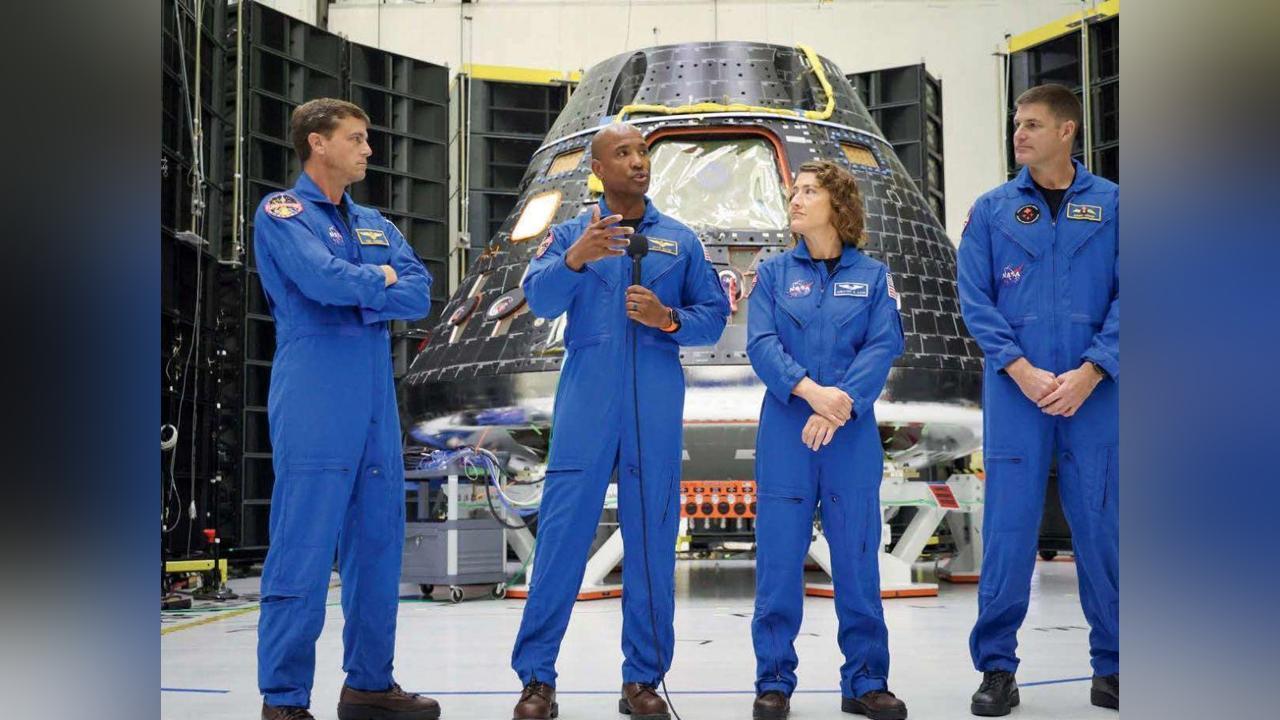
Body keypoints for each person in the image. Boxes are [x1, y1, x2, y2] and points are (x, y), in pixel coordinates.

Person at [509, 122, 729, 720]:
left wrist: (667, 319)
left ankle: (643, 679)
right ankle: (536, 680)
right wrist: (575, 260)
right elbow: (540, 300)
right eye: (623, 153)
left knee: (654, 539)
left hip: (655, 400)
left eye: (643, 152)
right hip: (587, 399)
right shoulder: (569, 235)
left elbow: (713, 316)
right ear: (598, 169)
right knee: (560, 539)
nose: (638, 161)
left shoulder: (679, 241)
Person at [253, 98, 438, 720]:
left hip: (375, 399)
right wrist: (377, 281)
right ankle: (284, 700)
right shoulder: (282, 213)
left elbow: (419, 293)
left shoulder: (373, 222)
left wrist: (365, 282)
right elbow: (320, 280)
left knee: (378, 545)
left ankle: (369, 686)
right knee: (303, 547)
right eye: (356, 138)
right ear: (317, 142)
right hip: (316, 390)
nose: (368, 149)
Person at [956, 83, 1119, 716]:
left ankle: (1115, 666)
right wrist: (1019, 369)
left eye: (1031, 124)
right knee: (1008, 531)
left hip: (1095, 393)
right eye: (1016, 123)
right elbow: (975, 299)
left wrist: (1093, 371)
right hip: (1015, 393)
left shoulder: (1115, 206)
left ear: (1066, 131)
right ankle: (997, 669)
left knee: (1104, 528)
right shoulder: (992, 211)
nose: (1018, 134)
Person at [745, 160, 907, 720]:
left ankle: (866, 680)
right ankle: (773, 681)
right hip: (788, 431)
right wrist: (813, 393)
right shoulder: (771, 274)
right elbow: (762, 344)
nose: (795, 199)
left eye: (808, 191)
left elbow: (882, 346)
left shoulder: (875, 276)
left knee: (858, 559)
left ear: (838, 205)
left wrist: (841, 406)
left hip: (850, 434)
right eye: (794, 191)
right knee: (778, 562)